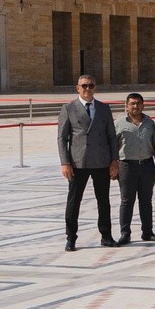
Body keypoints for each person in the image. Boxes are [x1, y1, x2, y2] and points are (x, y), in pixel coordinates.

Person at [58, 75, 119, 251]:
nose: (87, 89)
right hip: (78, 162)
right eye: (84, 86)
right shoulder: (69, 108)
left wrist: (114, 160)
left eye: (91, 85)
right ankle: (71, 237)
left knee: (103, 201)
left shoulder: (103, 108)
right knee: (74, 201)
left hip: (101, 160)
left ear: (95, 88)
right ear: (78, 88)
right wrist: (65, 162)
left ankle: (106, 235)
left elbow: (111, 136)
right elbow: (62, 138)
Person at [114, 92, 155, 244]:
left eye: (138, 103)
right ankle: (125, 233)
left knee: (146, 201)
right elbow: (113, 147)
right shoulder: (119, 123)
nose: (135, 106)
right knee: (127, 201)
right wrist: (113, 167)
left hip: (147, 165)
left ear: (143, 105)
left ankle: (147, 232)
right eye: (132, 103)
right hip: (126, 166)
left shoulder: (149, 123)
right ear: (126, 106)